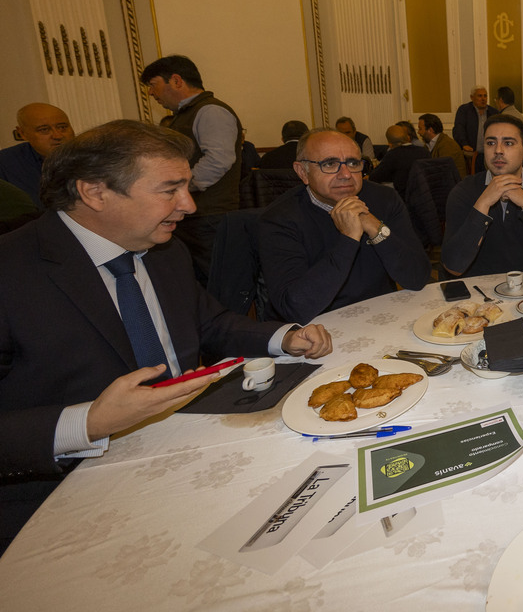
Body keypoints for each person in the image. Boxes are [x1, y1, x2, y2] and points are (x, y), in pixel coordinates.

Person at [0, 120, 333, 553]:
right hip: (68, 491)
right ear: (94, 192)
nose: (190, 206)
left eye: (188, 187)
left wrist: (283, 338)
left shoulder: (164, 250)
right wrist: (88, 422)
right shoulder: (12, 272)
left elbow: (208, 323)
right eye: (170, 189)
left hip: (194, 447)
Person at [258, 128, 429, 322]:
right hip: (316, 331)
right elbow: (296, 308)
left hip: (380, 317)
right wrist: (348, 238)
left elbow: (417, 278)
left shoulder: (384, 199)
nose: (346, 174)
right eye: (330, 164)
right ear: (302, 172)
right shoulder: (279, 219)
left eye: (353, 163)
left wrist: (375, 227)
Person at [140, 55, 243, 285]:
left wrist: (179, 189)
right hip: (194, 214)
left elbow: (218, 160)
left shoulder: (210, 112)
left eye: (153, 85)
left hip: (209, 215)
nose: (150, 94)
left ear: (176, 81)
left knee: (215, 281)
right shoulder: (185, 114)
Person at [442, 115, 523, 277]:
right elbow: (453, 266)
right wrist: (483, 203)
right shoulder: (463, 191)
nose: (498, 150)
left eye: (508, 143)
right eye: (490, 143)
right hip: (480, 293)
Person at [0, 103, 75, 209]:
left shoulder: (93, 156)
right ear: (22, 133)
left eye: (62, 127)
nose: (57, 136)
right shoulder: (5, 163)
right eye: (44, 130)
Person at [369, 121, 428, 194]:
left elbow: (374, 177)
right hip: (425, 195)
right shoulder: (424, 151)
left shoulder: (393, 155)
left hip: (402, 198)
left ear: (390, 144)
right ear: (408, 138)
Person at [451, 86, 497, 171]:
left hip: (490, 154)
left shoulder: (493, 112)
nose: (483, 99)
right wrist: (464, 144)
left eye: (485, 96)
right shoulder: (464, 110)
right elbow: (458, 128)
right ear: (472, 97)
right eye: (479, 96)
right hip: (471, 154)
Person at [417, 113, 467, 178]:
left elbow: (442, 171)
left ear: (430, 130)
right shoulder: (429, 144)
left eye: (420, 129)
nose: (418, 132)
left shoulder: (447, 145)